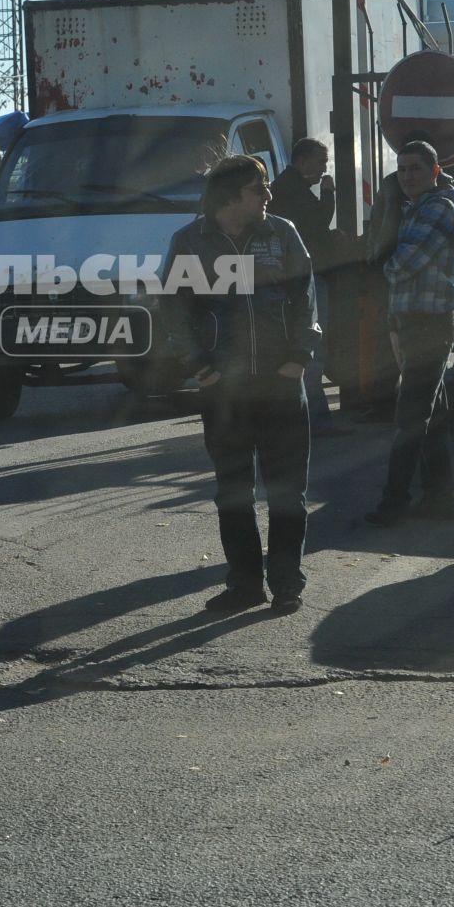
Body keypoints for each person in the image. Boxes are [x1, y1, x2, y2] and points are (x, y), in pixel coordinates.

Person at [167, 155, 319, 614]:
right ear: (232, 196)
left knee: (287, 493)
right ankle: (245, 584)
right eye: (260, 188)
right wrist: (196, 364)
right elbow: (174, 309)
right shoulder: (191, 242)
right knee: (233, 492)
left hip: (280, 384)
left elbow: (305, 297)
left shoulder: (282, 233)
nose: (268, 196)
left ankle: (287, 583)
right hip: (224, 391)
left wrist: (300, 356)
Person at [366, 141, 454, 527]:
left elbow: (399, 266)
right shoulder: (421, 206)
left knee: (410, 417)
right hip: (417, 320)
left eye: (416, 169)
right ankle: (440, 499)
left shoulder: (438, 207)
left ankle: (394, 503)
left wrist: (384, 244)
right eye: (402, 169)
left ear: (435, 171)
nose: (408, 176)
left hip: (430, 321)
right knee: (431, 417)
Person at [269, 137, 342, 435]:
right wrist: (328, 194)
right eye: (321, 161)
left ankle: (306, 416)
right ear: (302, 160)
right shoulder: (294, 190)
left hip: (289, 279)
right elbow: (316, 224)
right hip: (308, 277)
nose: (324, 167)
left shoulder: (282, 188)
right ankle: (316, 419)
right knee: (312, 345)